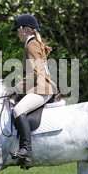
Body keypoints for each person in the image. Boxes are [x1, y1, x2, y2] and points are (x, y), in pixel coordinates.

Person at [7, 13, 58, 162]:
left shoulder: (31, 45)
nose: (17, 34)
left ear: (25, 30)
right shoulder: (33, 43)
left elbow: (35, 73)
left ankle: (26, 149)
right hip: (39, 87)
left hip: (42, 88)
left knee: (18, 110)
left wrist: (15, 89)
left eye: (18, 31)